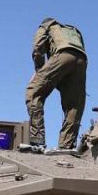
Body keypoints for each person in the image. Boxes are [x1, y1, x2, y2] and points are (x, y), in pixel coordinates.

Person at [25, 17, 88, 151]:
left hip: (62, 54)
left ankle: (37, 139)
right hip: (81, 59)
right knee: (74, 105)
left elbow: (37, 48)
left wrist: (39, 71)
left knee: (33, 92)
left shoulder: (46, 26)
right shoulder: (73, 30)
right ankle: (67, 145)